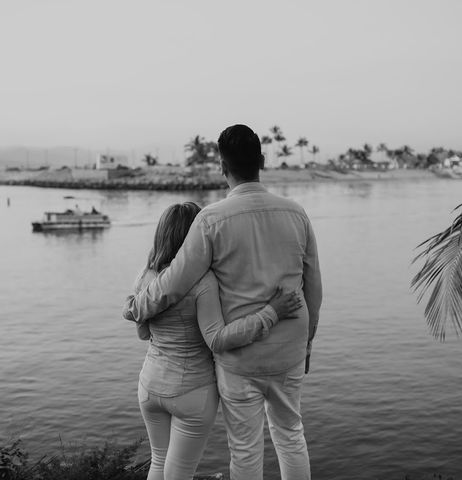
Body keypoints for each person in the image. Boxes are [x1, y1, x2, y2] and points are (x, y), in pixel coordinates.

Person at [124, 124, 322, 480]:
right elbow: (314, 288)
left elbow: (174, 282)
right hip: (290, 346)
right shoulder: (297, 213)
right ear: (262, 160)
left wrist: (137, 307)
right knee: (291, 435)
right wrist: (308, 343)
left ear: (221, 167)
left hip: (238, 357)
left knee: (245, 450)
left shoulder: (210, 220)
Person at [130, 201, 302, 480]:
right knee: (179, 473)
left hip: (149, 386)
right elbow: (218, 340)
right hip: (191, 391)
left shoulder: (145, 276)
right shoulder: (202, 282)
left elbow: (143, 333)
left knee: (158, 462)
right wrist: (271, 312)